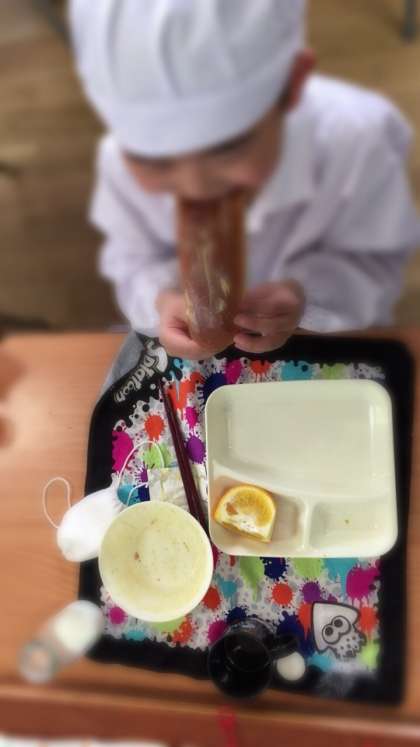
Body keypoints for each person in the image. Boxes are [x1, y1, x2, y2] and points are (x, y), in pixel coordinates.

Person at [69, 0, 419, 360]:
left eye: (228, 147)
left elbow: (377, 264)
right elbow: (130, 263)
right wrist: (162, 298)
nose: (196, 188)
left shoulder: (360, 140)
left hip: (324, 346)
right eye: (153, 160)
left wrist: (308, 296)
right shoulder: (118, 161)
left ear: (293, 84)